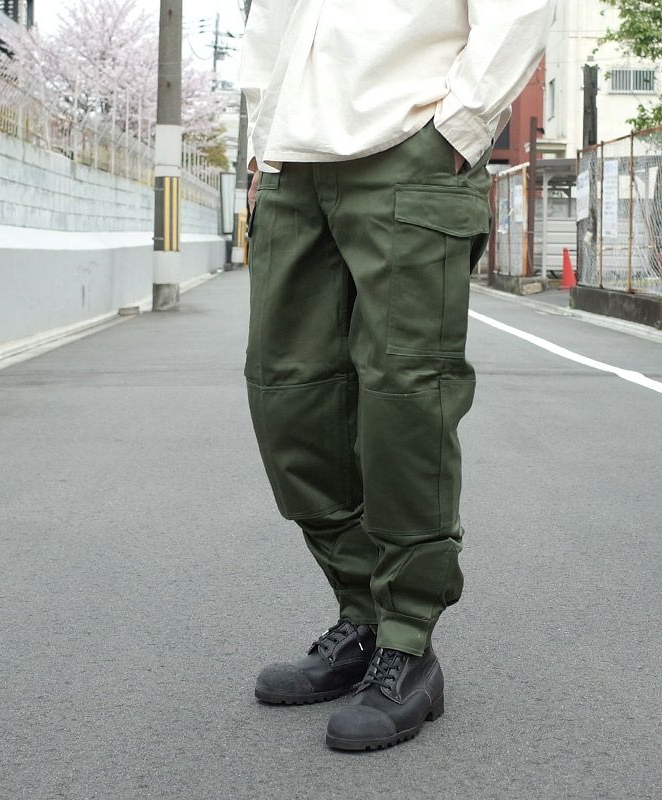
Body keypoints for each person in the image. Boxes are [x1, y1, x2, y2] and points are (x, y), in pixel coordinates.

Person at [239, 0, 554, 751]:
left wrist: (459, 127)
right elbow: (272, 23)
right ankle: (361, 614)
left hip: (411, 149)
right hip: (291, 163)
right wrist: (260, 142)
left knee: (404, 400)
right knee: (287, 399)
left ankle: (408, 642)